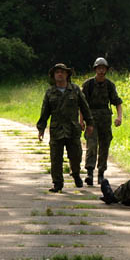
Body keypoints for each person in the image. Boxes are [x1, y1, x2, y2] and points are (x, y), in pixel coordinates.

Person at [37, 63, 94, 192]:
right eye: (57, 72)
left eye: (62, 72)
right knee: (56, 158)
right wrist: (41, 129)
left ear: (67, 74)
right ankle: (57, 183)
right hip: (56, 129)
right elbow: (45, 112)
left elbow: (85, 107)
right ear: (53, 75)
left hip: (72, 129)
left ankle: (76, 173)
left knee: (76, 156)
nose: (60, 74)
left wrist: (90, 123)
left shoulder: (75, 90)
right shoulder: (50, 92)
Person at [81, 57, 123, 186]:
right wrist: (81, 121)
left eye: (103, 68)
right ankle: (89, 173)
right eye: (99, 68)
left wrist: (119, 117)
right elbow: (82, 104)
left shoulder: (110, 85)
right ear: (95, 69)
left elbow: (117, 102)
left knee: (104, 146)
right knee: (92, 145)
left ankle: (101, 173)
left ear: (106, 70)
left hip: (105, 119)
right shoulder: (88, 84)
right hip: (91, 118)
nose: (101, 71)